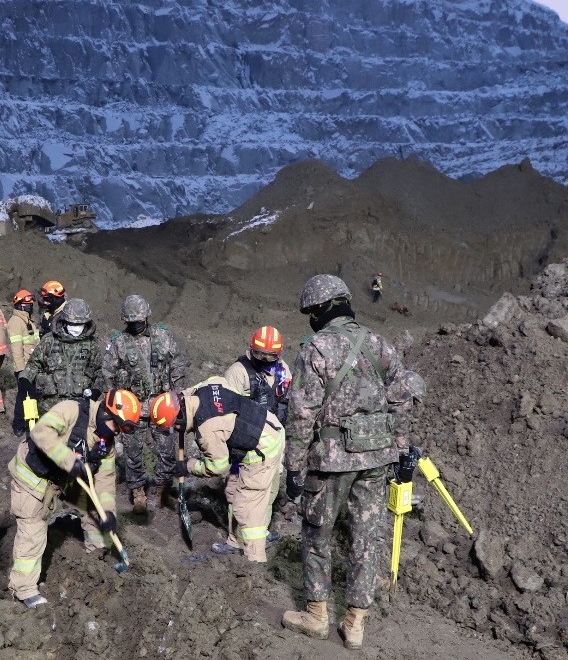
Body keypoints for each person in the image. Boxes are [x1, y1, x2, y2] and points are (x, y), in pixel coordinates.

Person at [281, 274, 407, 649]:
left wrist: (293, 466)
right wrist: (400, 449)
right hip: (377, 458)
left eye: (311, 312)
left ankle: (317, 616)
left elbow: (301, 413)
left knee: (317, 534)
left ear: (321, 309)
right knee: (367, 538)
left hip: (331, 461)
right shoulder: (380, 344)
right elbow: (401, 401)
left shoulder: (316, 349)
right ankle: (355, 624)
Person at [7, 388, 140, 607]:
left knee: (97, 515)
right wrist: (70, 461)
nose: (117, 432)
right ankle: (23, 589)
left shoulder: (106, 444)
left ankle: (97, 560)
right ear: (105, 413)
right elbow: (41, 432)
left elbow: (105, 481)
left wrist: (108, 512)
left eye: (121, 429)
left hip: (66, 480)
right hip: (33, 477)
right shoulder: (71, 410)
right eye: (116, 425)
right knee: (33, 529)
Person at [149, 378, 285, 563]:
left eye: (174, 426)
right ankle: (235, 543)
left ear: (179, 417)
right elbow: (219, 381)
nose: (176, 430)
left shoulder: (207, 430)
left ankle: (255, 561)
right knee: (232, 490)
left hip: (263, 448)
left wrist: (188, 466)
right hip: (261, 427)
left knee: (247, 507)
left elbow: (218, 466)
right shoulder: (202, 389)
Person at [99, 294, 188, 515]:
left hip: (162, 405)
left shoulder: (163, 336)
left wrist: (176, 394)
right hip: (132, 408)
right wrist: (114, 405)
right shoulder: (118, 342)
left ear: (146, 317)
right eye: (131, 321)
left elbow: (178, 363)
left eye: (139, 320)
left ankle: (163, 492)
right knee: (133, 453)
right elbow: (107, 374)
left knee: (167, 451)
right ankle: (138, 492)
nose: (136, 324)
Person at [222, 325, 291, 543]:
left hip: (274, 443)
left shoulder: (282, 370)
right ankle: (236, 540)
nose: (265, 359)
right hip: (246, 444)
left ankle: (259, 535)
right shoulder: (238, 372)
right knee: (238, 491)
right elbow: (226, 412)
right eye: (260, 354)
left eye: (271, 355)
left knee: (269, 491)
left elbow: (286, 402)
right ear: (252, 350)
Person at [20, 299, 102, 414]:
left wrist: (96, 390)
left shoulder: (92, 344)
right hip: (50, 407)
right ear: (64, 321)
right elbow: (34, 364)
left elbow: (100, 371)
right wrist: (25, 379)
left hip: (81, 407)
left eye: (79, 324)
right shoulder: (49, 340)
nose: (76, 327)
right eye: (72, 323)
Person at [7, 290, 41, 436]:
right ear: (20, 305)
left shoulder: (28, 321)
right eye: (27, 304)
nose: (30, 306)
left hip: (33, 366)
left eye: (31, 304)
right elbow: (16, 348)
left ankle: (29, 423)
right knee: (24, 396)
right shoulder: (16, 322)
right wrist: (21, 370)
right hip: (25, 367)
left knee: (32, 395)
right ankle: (19, 425)